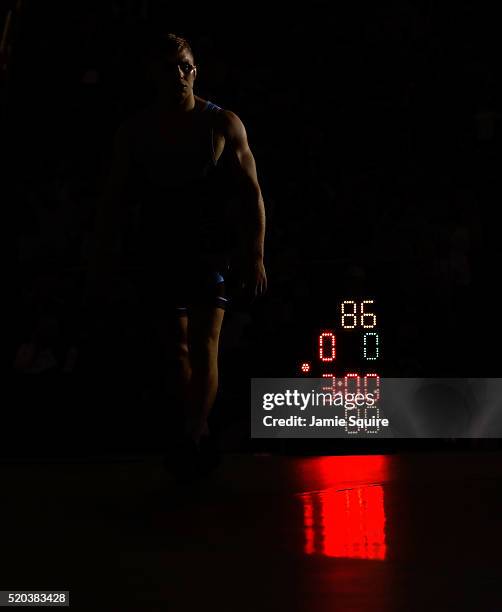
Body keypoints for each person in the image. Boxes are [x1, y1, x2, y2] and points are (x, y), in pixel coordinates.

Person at [87, 32, 267, 475]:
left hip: (208, 248)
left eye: (185, 66)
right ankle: (194, 428)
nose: (180, 75)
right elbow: (113, 199)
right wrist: (103, 255)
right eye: (170, 68)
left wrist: (255, 253)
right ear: (154, 75)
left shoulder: (222, 123)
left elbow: (252, 194)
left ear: (195, 69)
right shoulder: (136, 131)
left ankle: (193, 430)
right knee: (176, 348)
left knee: (206, 342)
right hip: (159, 246)